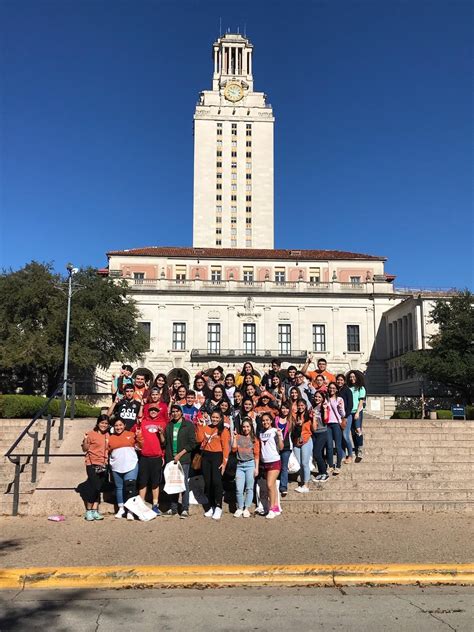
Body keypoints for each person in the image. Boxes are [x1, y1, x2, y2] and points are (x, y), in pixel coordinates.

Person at [161, 404, 197, 518]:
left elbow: (192, 443)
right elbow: (164, 443)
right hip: (171, 459)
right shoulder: (169, 425)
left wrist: (180, 454)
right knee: (173, 484)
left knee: (183, 483)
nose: (175, 413)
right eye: (173, 411)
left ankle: (185, 509)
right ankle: (174, 508)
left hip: (184, 459)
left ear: (181, 412)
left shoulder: (188, 425)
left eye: (177, 411)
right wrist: (161, 434)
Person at [195, 409, 230, 520]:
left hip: (217, 457)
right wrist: (200, 426)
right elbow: (199, 439)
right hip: (206, 457)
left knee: (216, 482)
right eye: (213, 417)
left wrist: (224, 462)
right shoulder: (206, 427)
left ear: (220, 419)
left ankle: (218, 506)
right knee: (208, 483)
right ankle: (210, 506)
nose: (214, 419)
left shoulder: (223, 430)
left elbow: (226, 448)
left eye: (217, 418)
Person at [133, 406, 167, 515]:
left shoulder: (163, 423)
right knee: (142, 482)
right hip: (144, 457)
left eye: (156, 410)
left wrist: (162, 455)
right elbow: (134, 433)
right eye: (151, 410)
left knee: (155, 483)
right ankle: (141, 505)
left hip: (156, 457)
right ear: (148, 411)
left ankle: (155, 505)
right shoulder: (142, 422)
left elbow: (164, 443)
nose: (153, 412)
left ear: (158, 412)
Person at [108, 418, 143, 520]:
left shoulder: (132, 434)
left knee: (130, 487)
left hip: (131, 465)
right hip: (116, 466)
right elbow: (107, 451)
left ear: (124, 425)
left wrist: (139, 436)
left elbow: (140, 446)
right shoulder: (110, 438)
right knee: (119, 488)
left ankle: (131, 511)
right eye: (116, 426)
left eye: (120, 425)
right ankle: (121, 508)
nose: (118, 427)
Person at [81, 414, 110, 521]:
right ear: (98, 423)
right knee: (94, 487)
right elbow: (84, 449)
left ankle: (95, 510)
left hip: (103, 464)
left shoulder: (107, 435)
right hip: (92, 463)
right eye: (102, 423)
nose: (104, 425)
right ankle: (88, 511)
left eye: (106, 423)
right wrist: (85, 440)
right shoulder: (90, 434)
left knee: (99, 487)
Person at [258, 412, 284, 519]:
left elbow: (281, 447)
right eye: (263, 420)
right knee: (272, 485)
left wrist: (279, 435)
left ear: (271, 420)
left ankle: (272, 508)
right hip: (265, 462)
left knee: (269, 485)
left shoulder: (275, 431)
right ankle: (276, 507)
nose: (265, 422)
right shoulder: (260, 432)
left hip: (275, 461)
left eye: (267, 420)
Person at [232, 418, 259, 517]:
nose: (245, 428)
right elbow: (234, 450)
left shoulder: (254, 439)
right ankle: (240, 507)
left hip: (250, 464)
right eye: (244, 426)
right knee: (239, 488)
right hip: (240, 465)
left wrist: (256, 468)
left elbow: (256, 455)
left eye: (248, 426)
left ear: (251, 427)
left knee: (249, 488)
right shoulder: (238, 437)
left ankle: (246, 508)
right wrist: (234, 438)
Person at [291, 399, 313, 493]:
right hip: (296, 442)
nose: (300, 407)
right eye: (299, 405)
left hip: (306, 440)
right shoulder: (294, 416)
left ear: (305, 406)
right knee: (300, 464)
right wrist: (296, 424)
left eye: (302, 405)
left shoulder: (309, 415)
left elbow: (314, 428)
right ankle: (303, 483)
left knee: (305, 463)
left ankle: (306, 485)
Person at [326, 382, 345, 474]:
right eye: (330, 388)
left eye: (334, 388)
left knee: (338, 446)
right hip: (327, 424)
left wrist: (340, 407)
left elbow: (343, 414)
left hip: (336, 424)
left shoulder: (339, 399)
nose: (332, 389)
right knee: (329, 446)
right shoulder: (326, 399)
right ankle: (330, 465)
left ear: (337, 389)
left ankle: (338, 465)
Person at [347, 371, 367, 462]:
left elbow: (361, 401)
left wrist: (357, 412)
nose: (352, 378)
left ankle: (360, 449)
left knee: (358, 429)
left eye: (354, 377)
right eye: (351, 377)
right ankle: (355, 448)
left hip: (357, 411)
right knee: (352, 431)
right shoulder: (348, 388)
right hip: (349, 412)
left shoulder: (361, 388)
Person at [275, 401, 293, 497]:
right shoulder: (276, 419)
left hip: (286, 447)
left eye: (286, 408)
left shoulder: (290, 421)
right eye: (283, 408)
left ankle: (283, 487)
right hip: (276, 447)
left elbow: (294, 433)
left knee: (284, 467)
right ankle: (275, 483)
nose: (284, 410)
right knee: (276, 466)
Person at [311, 391, 330, 482]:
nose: (317, 398)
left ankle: (325, 473)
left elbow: (326, 420)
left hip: (322, 432)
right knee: (320, 454)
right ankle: (320, 472)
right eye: (316, 397)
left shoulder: (324, 407)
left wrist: (325, 409)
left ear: (323, 398)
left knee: (316, 452)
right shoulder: (312, 407)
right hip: (314, 433)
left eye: (319, 397)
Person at [336, 374, 354, 463]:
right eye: (338, 380)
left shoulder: (347, 391)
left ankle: (350, 455)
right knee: (340, 437)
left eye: (341, 380)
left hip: (346, 416)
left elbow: (350, 405)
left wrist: (345, 417)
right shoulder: (336, 390)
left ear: (344, 381)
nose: (339, 381)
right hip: (337, 417)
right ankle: (343, 455)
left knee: (345, 435)